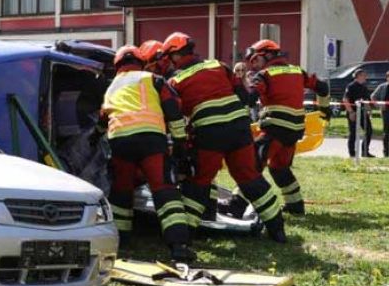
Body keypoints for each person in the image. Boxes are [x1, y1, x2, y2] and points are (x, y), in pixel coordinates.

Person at [161, 32, 287, 243]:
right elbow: (242, 95)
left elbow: (174, 114)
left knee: (200, 182)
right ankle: (277, 229)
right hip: (239, 128)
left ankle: (187, 235)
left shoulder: (175, 80)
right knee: (250, 177)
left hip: (209, 133)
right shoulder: (219, 65)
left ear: (174, 56)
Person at [101, 45, 196, 262]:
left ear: (117, 65)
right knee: (164, 191)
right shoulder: (152, 78)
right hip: (151, 139)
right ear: (141, 61)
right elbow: (172, 108)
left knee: (121, 191)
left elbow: (102, 118)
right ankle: (178, 246)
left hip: (120, 141)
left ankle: (121, 241)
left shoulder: (111, 87)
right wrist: (180, 142)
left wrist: (94, 136)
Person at [244, 39, 331, 215]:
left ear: (267, 55)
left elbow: (250, 97)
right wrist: (324, 110)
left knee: (251, 165)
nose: (253, 65)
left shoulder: (265, 75)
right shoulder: (297, 71)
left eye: (255, 60)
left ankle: (237, 204)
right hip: (294, 132)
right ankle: (296, 206)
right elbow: (322, 87)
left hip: (274, 129)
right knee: (279, 168)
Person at [344, 69, 374, 158]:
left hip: (363, 113)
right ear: (358, 76)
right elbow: (345, 100)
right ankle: (352, 153)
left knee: (369, 131)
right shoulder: (351, 86)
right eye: (364, 75)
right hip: (353, 112)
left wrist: (369, 111)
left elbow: (366, 100)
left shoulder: (364, 87)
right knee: (353, 133)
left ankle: (365, 151)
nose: (366, 77)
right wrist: (351, 112)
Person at [370, 71, 389, 157]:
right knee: (386, 132)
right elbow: (373, 96)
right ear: (387, 77)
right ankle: (386, 152)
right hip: (386, 112)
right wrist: (378, 105)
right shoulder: (382, 87)